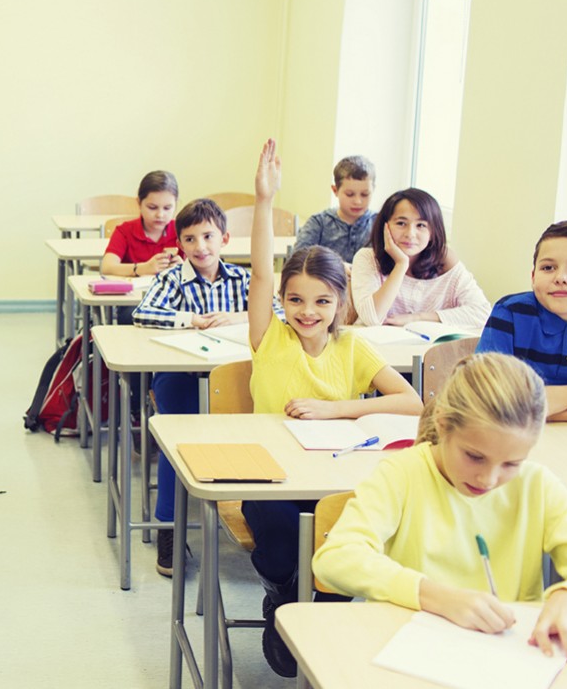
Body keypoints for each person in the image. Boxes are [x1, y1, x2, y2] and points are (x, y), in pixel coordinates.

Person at [246, 139, 423, 677]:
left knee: (347, 535)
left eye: (322, 301)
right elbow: (258, 272)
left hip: (333, 471)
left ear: (341, 303)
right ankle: (283, 598)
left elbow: (412, 401)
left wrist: (336, 410)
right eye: (295, 299)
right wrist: (263, 201)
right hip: (269, 475)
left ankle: (320, 616)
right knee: (280, 537)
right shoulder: (269, 337)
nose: (308, 311)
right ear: (282, 301)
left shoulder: (352, 346)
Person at [313, 354, 567, 656]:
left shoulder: (536, 484)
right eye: (475, 456)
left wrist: (565, 594)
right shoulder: (403, 474)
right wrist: (432, 595)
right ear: (444, 424)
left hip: (504, 656)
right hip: (408, 651)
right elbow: (336, 558)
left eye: (511, 463)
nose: (488, 479)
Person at [131, 198, 253, 576]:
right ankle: (170, 525)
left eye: (208, 236)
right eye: (190, 239)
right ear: (179, 244)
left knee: (256, 428)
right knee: (177, 439)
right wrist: (191, 320)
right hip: (180, 375)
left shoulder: (242, 279)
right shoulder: (172, 279)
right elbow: (143, 313)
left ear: (225, 238)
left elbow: (280, 312)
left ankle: (254, 514)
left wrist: (239, 316)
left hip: (233, 375)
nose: (200, 246)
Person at [350, 188, 491, 328]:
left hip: (426, 349)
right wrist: (401, 265)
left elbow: (482, 313)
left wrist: (418, 318)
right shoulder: (367, 258)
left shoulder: (445, 261)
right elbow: (372, 318)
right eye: (401, 223)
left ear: (433, 231)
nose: (410, 233)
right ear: (385, 226)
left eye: (421, 225)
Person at [477, 220, 567, 421]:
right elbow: (489, 399)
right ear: (533, 275)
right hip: (509, 440)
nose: (561, 277)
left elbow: (517, 405)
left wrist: (535, 406)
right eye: (548, 267)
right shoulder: (511, 312)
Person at [99, 170, 183, 279]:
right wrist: (143, 268)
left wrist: (185, 268)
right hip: (132, 294)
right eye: (152, 207)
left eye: (167, 208)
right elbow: (107, 267)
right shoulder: (124, 231)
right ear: (139, 203)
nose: (160, 215)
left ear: (176, 205)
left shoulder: (182, 230)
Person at [294, 155, 377, 264]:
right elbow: (298, 260)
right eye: (350, 194)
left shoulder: (379, 223)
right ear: (335, 190)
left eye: (365, 194)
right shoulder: (319, 223)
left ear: (373, 189)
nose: (358, 201)